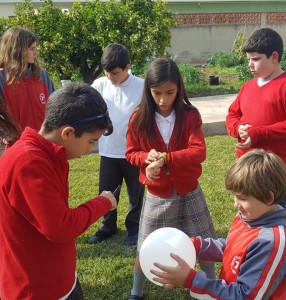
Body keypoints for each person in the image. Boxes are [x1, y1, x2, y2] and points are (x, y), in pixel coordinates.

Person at [0, 83, 118, 299]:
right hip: (37, 288)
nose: (90, 149)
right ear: (68, 132)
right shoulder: (28, 162)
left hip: (59, 278)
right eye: (91, 141)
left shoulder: (46, 155)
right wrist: (103, 203)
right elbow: (60, 227)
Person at [225, 27, 286, 299]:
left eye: (256, 59)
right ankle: (258, 264)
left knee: (283, 222)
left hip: (277, 170)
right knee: (250, 217)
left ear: (274, 56)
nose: (251, 65)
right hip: (249, 167)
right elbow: (232, 115)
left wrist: (258, 132)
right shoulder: (248, 86)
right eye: (248, 59)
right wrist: (237, 128)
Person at [125, 58, 216, 300]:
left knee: (205, 245)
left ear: (179, 88)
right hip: (158, 194)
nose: (163, 100)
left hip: (189, 191)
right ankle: (136, 292)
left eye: (170, 92)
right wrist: (147, 160)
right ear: (148, 90)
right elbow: (131, 153)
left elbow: (199, 151)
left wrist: (166, 158)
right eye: (157, 93)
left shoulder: (189, 115)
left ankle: (212, 287)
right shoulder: (139, 118)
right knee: (146, 247)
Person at [151, 149, 286, 299]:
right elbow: (232, 249)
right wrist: (196, 245)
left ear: (268, 198)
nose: (236, 204)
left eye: (242, 198)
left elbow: (244, 296)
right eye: (234, 196)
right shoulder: (247, 217)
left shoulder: (272, 243)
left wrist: (190, 279)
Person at [88, 43, 144, 247]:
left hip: (134, 152)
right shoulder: (100, 85)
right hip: (108, 151)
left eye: (115, 72)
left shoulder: (142, 86)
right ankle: (107, 226)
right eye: (107, 72)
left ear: (127, 67)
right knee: (107, 191)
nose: (110, 76)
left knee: (135, 194)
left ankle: (135, 229)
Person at [0, 27, 55, 131]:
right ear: (18, 50)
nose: (36, 53)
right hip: (17, 143)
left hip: (45, 142)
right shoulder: (2, 78)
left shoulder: (42, 75)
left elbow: (55, 108)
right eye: (32, 49)